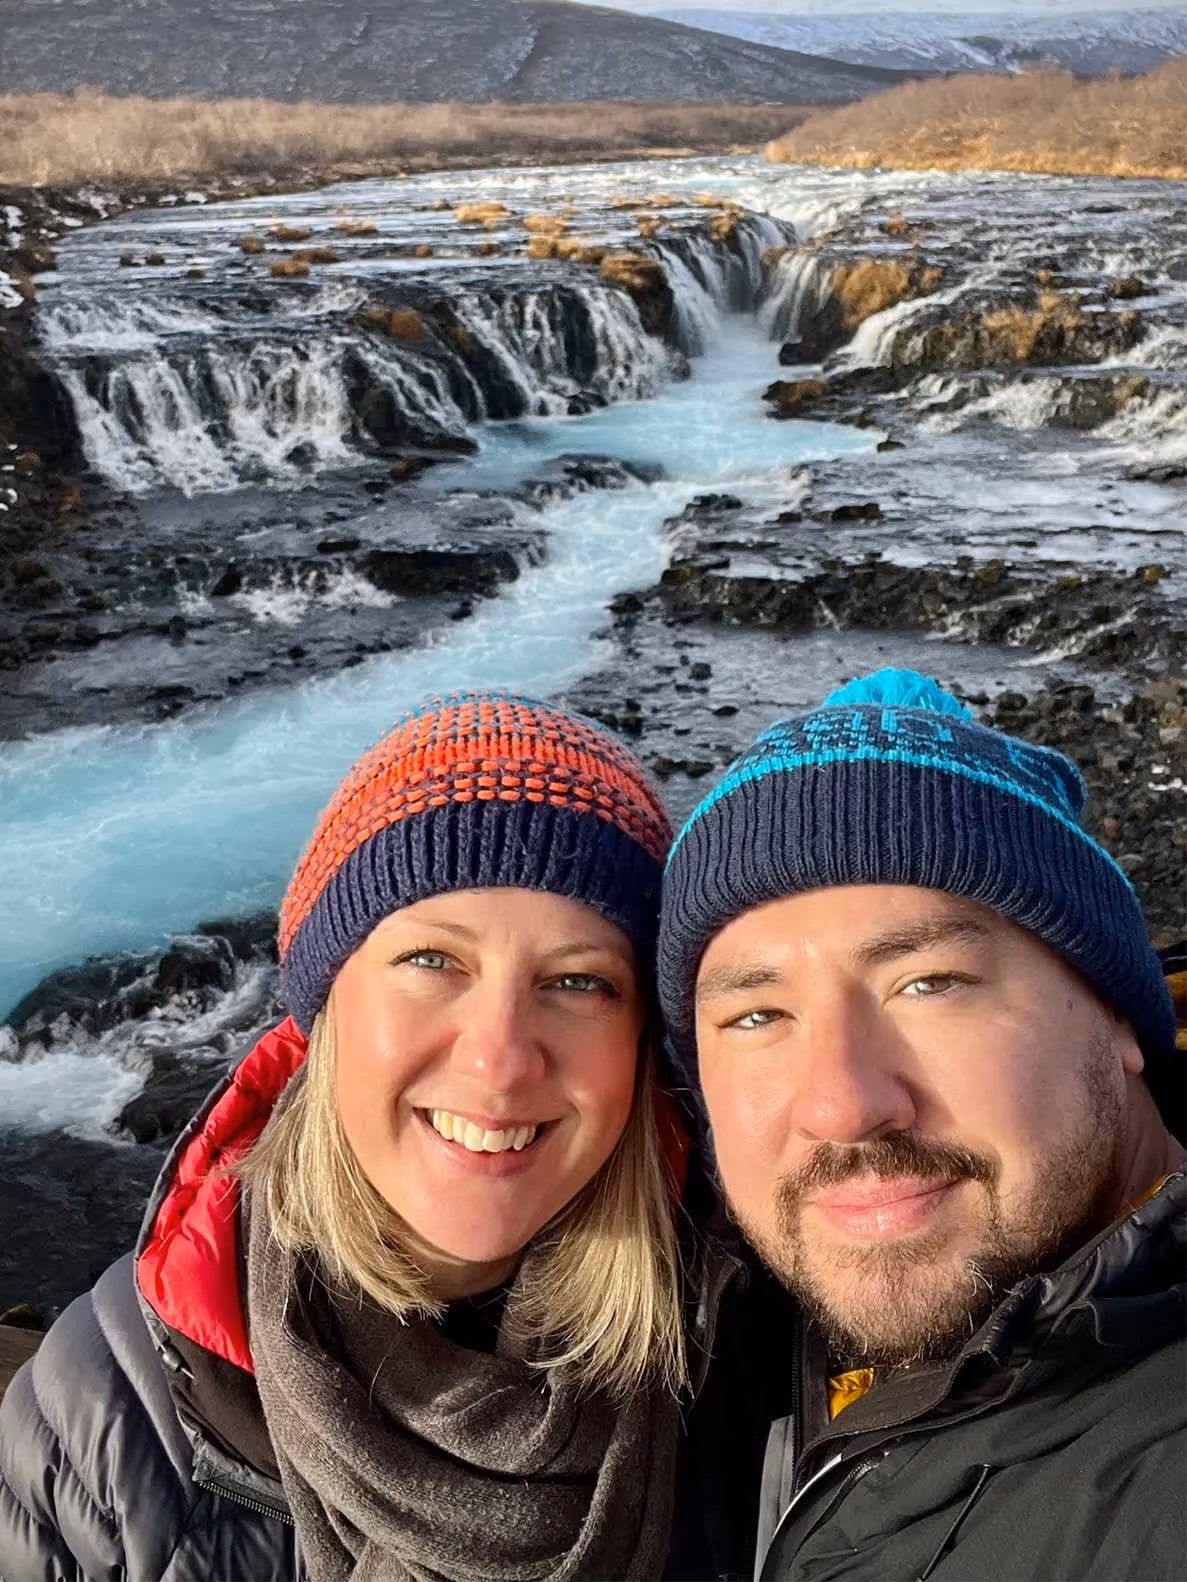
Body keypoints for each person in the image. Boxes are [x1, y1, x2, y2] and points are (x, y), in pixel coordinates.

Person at [0, 690, 689, 1582]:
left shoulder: (749, 1353)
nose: (501, 1061)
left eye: (579, 982)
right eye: (431, 961)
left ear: (642, 1043)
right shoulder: (106, 1418)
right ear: (323, 1013)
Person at [659, 668, 1185, 1582]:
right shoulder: (715, 1314)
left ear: (1116, 1016)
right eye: (756, 1016)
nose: (842, 1107)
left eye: (927, 985)